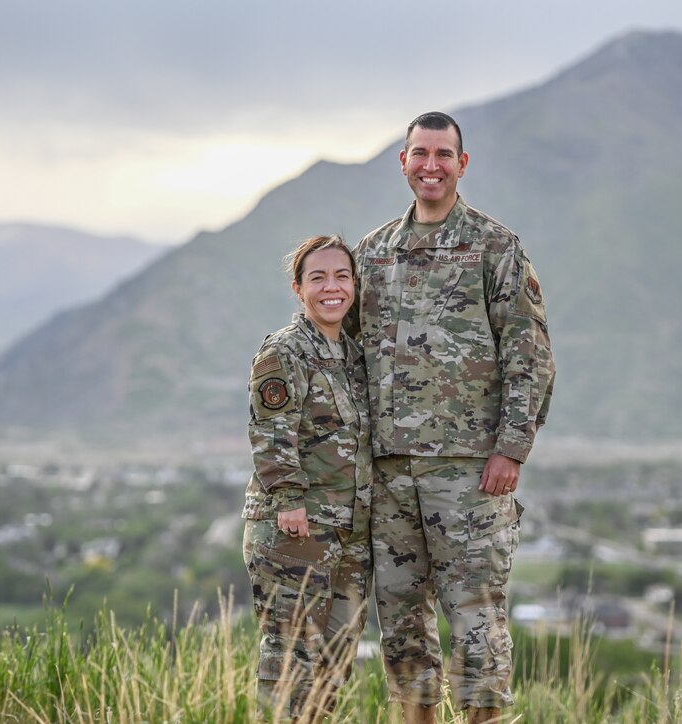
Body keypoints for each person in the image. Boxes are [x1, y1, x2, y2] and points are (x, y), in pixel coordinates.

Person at [346, 111, 556, 724]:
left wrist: (511, 449)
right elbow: (350, 355)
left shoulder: (495, 248)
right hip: (389, 476)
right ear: (403, 162)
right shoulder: (373, 254)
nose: (430, 165)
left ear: (462, 164)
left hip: (469, 473)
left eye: (443, 154)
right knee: (403, 625)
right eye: (419, 153)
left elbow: (530, 354)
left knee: (474, 619)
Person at [242, 235, 373, 721]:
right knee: (291, 662)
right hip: (296, 531)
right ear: (299, 289)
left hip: (349, 534)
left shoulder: (355, 360)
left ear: (355, 285)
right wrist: (289, 500)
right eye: (318, 278)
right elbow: (270, 431)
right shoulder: (285, 351)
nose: (331, 287)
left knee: (335, 666)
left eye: (341, 276)